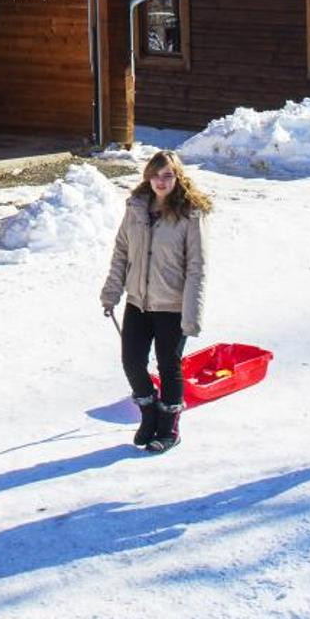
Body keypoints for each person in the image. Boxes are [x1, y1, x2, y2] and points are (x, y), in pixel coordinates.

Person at [101, 149, 211, 453]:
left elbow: (197, 268)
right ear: (148, 176)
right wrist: (112, 292)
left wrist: (191, 316)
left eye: (168, 175)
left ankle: (169, 427)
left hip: (172, 305)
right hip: (138, 301)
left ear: (178, 177)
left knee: (168, 366)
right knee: (132, 361)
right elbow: (122, 251)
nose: (161, 182)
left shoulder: (190, 214)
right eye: (156, 175)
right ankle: (149, 415)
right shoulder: (136, 208)